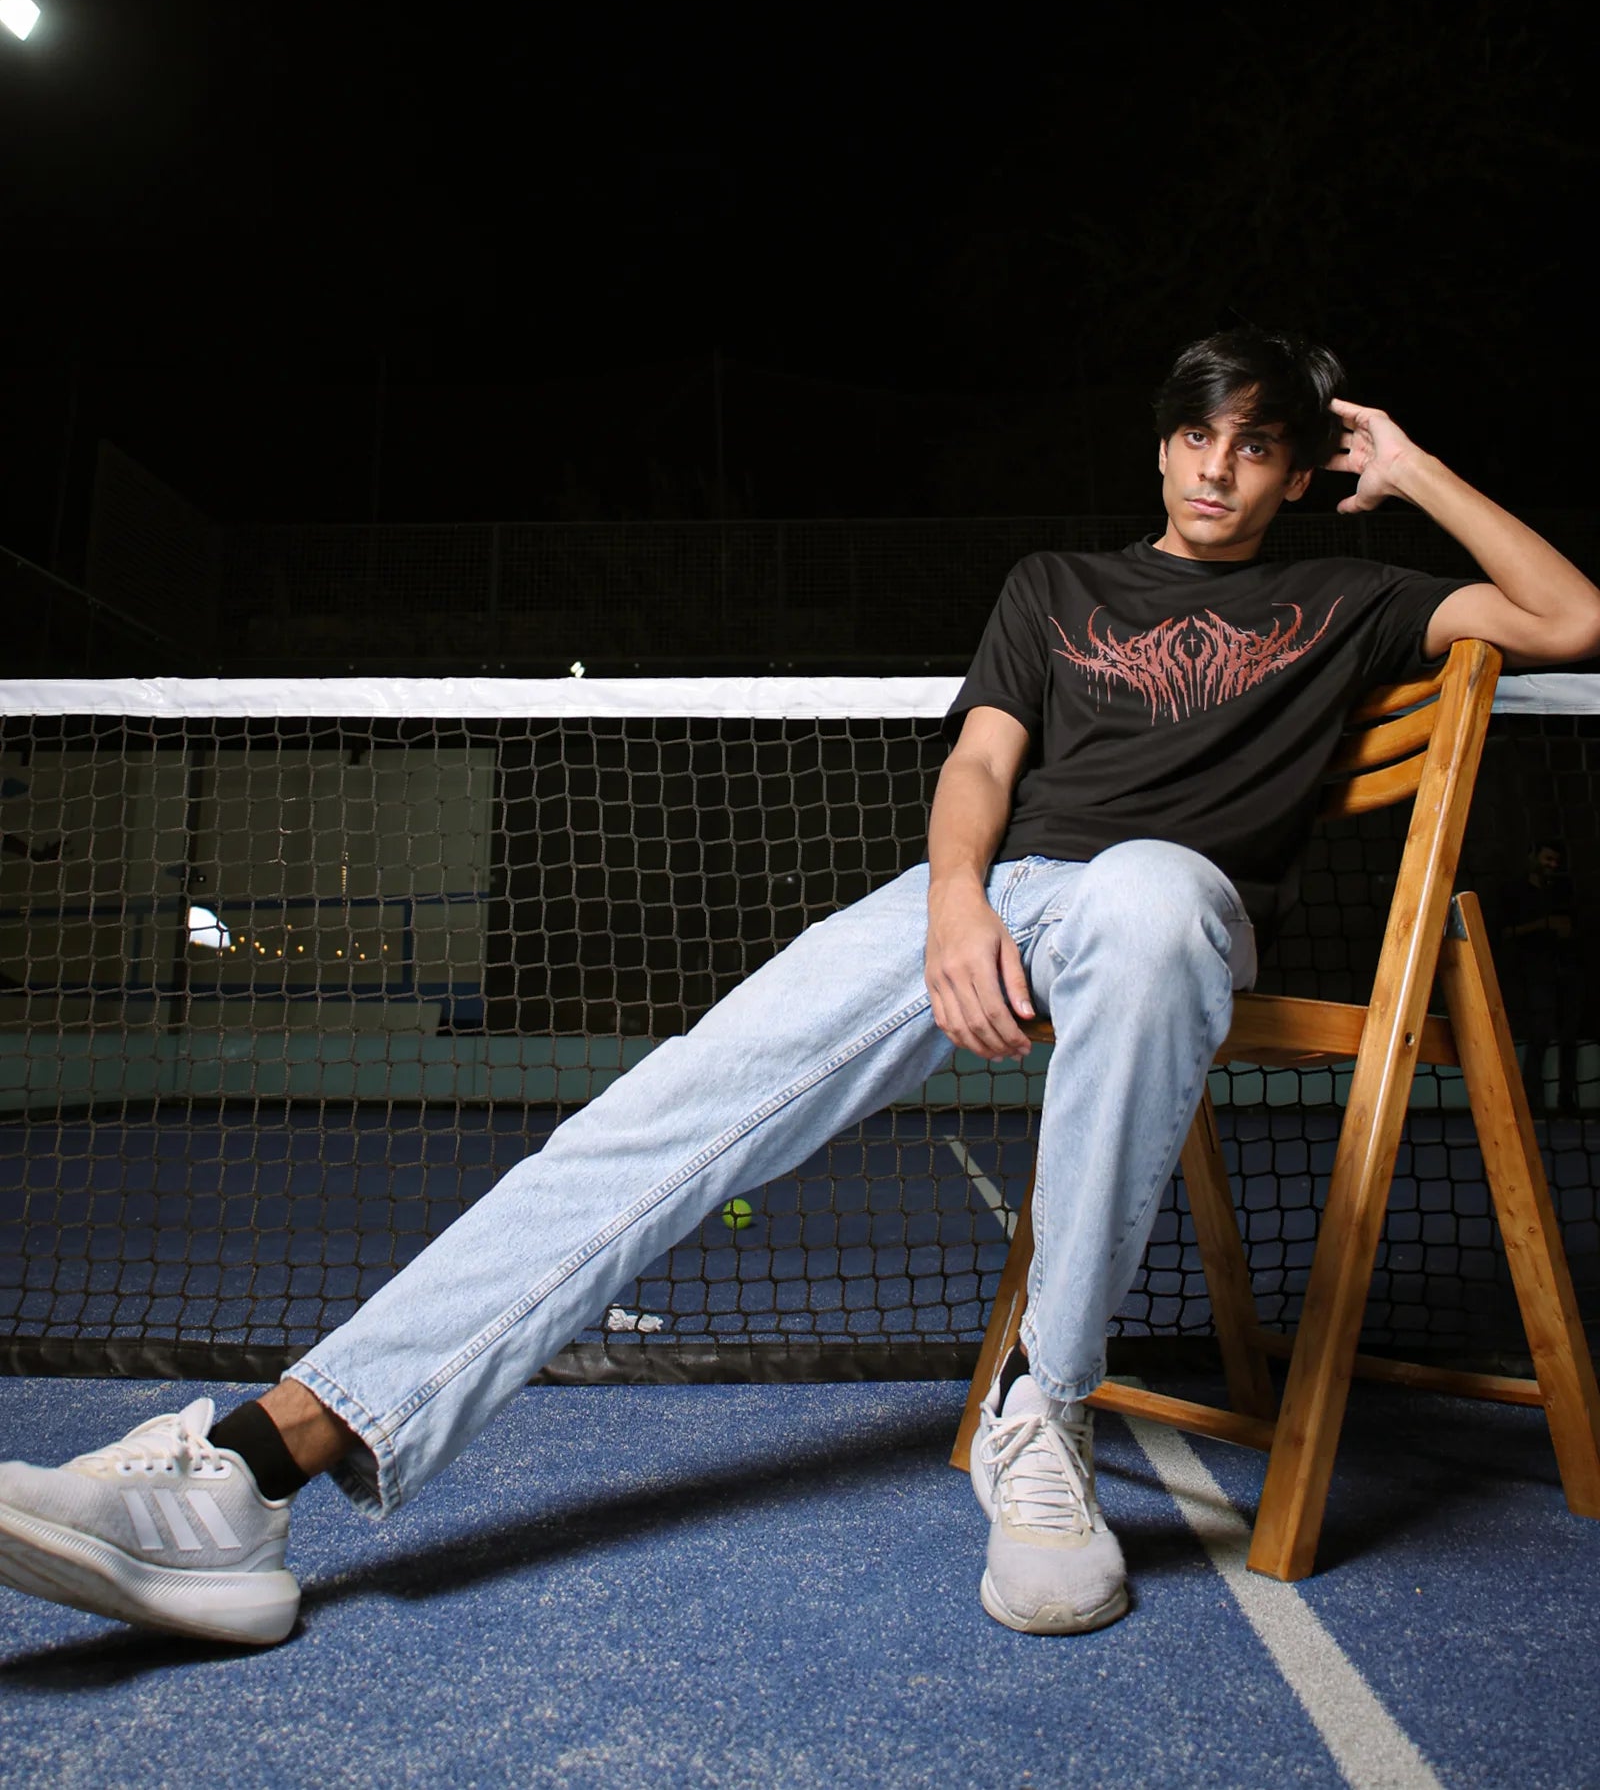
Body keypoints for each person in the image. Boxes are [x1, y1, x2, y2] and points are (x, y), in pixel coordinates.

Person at [3, 329, 1598, 1649]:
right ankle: (256, 1464)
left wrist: (1408, 471)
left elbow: (1571, 615)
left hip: (1167, 911)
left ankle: (1046, 1417)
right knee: (665, 1113)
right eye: (1198, 435)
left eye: (1258, 446)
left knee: (1159, 895)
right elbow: (982, 762)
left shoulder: (1347, 602)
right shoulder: (1056, 587)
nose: (1217, 467)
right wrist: (958, 907)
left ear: (1299, 466)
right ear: (1161, 447)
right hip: (994, 898)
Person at [1500, 840, 1585, 1113]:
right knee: (1541, 1034)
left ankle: (1567, 1100)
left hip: (1566, 969)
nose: (1551, 865)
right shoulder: (1516, 892)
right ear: (1533, 856)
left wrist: (1566, 930)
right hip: (1535, 972)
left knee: (1569, 1036)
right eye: (1547, 859)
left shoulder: (1562, 890)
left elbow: (1575, 927)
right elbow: (1504, 933)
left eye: (1555, 861)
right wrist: (1542, 925)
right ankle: (1530, 1103)